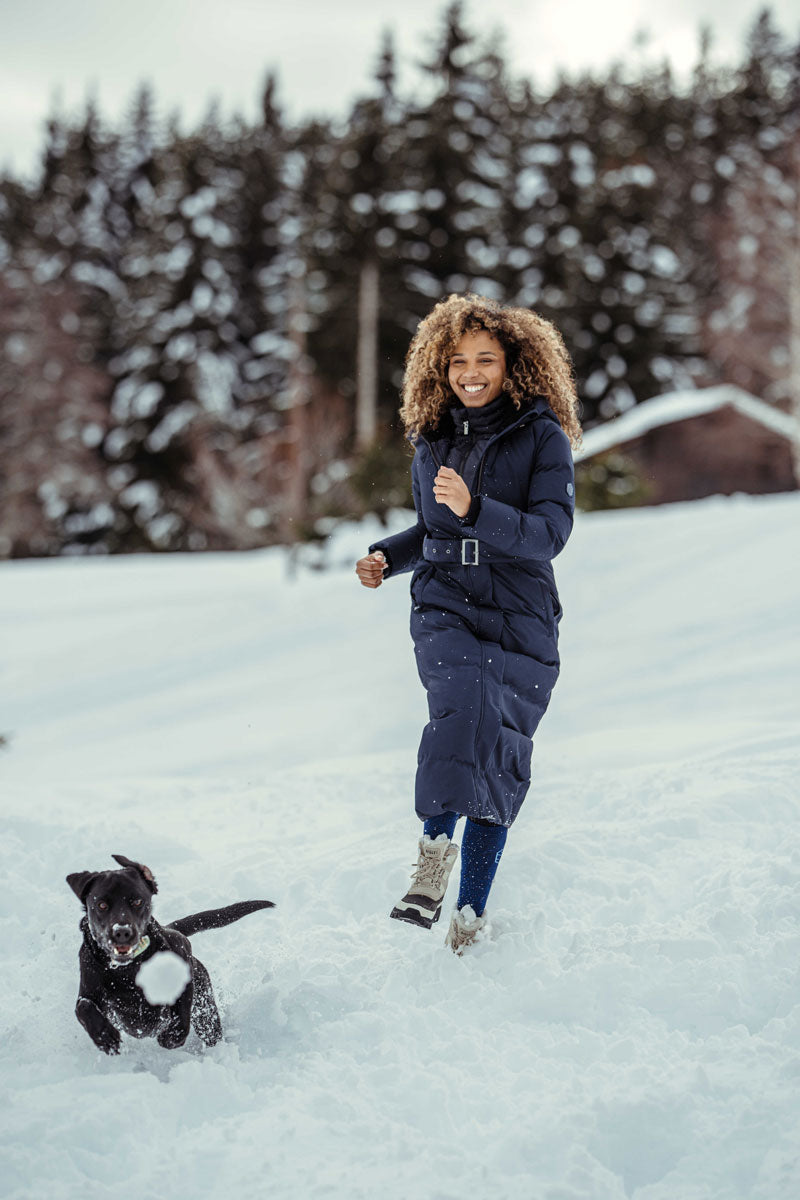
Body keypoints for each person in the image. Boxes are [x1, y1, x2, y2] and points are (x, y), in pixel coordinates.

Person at [355, 293, 581, 954]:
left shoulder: (543, 437)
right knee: (461, 709)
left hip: (521, 609)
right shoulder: (434, 436)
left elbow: (551, 533)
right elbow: (433, 526)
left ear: (514, 365)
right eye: (458, 360)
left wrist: (477, 507)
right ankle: (431, 860)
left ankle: (470, 916)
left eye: (486, 358)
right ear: (441, 366)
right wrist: (385, 557)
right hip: (445, 598)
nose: (471, 372)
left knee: (499, 754)